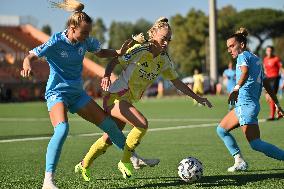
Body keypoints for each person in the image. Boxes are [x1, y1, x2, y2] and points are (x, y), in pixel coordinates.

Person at [75, 17, 212, 180]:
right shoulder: (140, 50)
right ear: (153, 34)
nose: (166, 43)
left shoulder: (164, 60)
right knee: (142, 124)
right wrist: (106, 76)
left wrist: (197, 97)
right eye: (163, 39)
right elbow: (115, 60)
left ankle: (83, 165)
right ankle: (126, 162)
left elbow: (177, 83)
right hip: (115, 97)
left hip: (127, 100)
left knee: (110, 138)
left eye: (169, 40)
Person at [21, 1, 134, 188]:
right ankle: (48, 181)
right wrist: (27, 64)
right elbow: (31, 55)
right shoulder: (56, 41)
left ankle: (132, 157)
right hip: (57, 93)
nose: (87, 36)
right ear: (72, 28)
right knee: (62, 129)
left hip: (77, 94)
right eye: (84, 32)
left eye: (89, 32)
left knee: (109, 124)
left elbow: (100, 52)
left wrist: (118, 52)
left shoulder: (86, 41)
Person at [216, 28, 284, 173]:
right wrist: (277, 104)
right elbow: (266, 84)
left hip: (245, 105)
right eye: (228, 47)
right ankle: (239, 161)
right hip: (250, 105)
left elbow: (245, 72)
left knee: (255, 143)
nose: (229, 50)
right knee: (222, 130)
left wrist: (236, 88)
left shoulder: (243, 56)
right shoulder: (257, 59)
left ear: (242, 44)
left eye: (232, 46)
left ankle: (240, 161)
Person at [263, 45, 283, 120]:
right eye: (268, 50)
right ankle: (279, 111)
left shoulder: (276, 59)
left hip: (275, 79)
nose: (269, 52)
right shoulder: (265, 59)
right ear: (266, 51)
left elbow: (281, 68)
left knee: (271, 97)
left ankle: (272, 115)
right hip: (267, 79)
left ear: (272, 51)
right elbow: (265, 69)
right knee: (267, 97)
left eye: (270, 51)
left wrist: (282, 77)